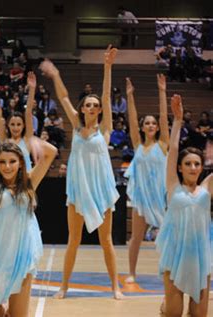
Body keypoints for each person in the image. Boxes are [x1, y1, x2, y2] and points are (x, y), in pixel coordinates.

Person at [40, 45, 123, 299]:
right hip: (78, 189)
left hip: (101, 190)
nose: (92, 107)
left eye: (95, 105)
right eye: (88, 104)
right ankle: (64, 286)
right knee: (73, 240)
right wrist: (55, 76)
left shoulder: (105, 129)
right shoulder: (76, 126)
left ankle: (115, 287)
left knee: (106, 241)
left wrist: (108, 67)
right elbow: (64, 98)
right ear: (83, 108)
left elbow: (107, 97)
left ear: (98, 110)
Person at [0, 83, 57, 316]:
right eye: (2, 162)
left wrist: (32, 139)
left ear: (20, 162)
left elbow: (50, 153)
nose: (7, 166)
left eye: (12, 161)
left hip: (21, 259)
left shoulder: (29, 183)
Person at [156, 94, 212, 316]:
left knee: (199, 315)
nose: (192, 167)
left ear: (201, 168)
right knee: (173, 314)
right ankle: (164, 306)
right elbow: (172, 153)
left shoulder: (207, 188)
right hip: (175, 256)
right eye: (187, 163)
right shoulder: (173, 187)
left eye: (196, 164)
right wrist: (177, 121)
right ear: (180, 168)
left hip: (201, 257)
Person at [124, 75, 169, 283]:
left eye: (153, 123)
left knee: (169, 237)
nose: (150, 125)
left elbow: (164, 116)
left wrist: (162, 91)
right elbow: (132, 120)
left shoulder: (163, 144)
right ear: (143, 128)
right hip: (141, 199)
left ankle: (170, 270)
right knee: (136, 238)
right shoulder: (138, 145)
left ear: (157, 127)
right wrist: (130, 96)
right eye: (147, 123)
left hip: (160, 198)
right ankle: (132, 272)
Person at [0, 72, 36, 171]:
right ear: (8, 125)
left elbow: (28, 112)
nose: (15, 127)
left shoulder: (27, 139)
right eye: (12, 124)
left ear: (23, 126)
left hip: (25, 181)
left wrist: (32, 89)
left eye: (18, 124)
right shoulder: (4, 140)